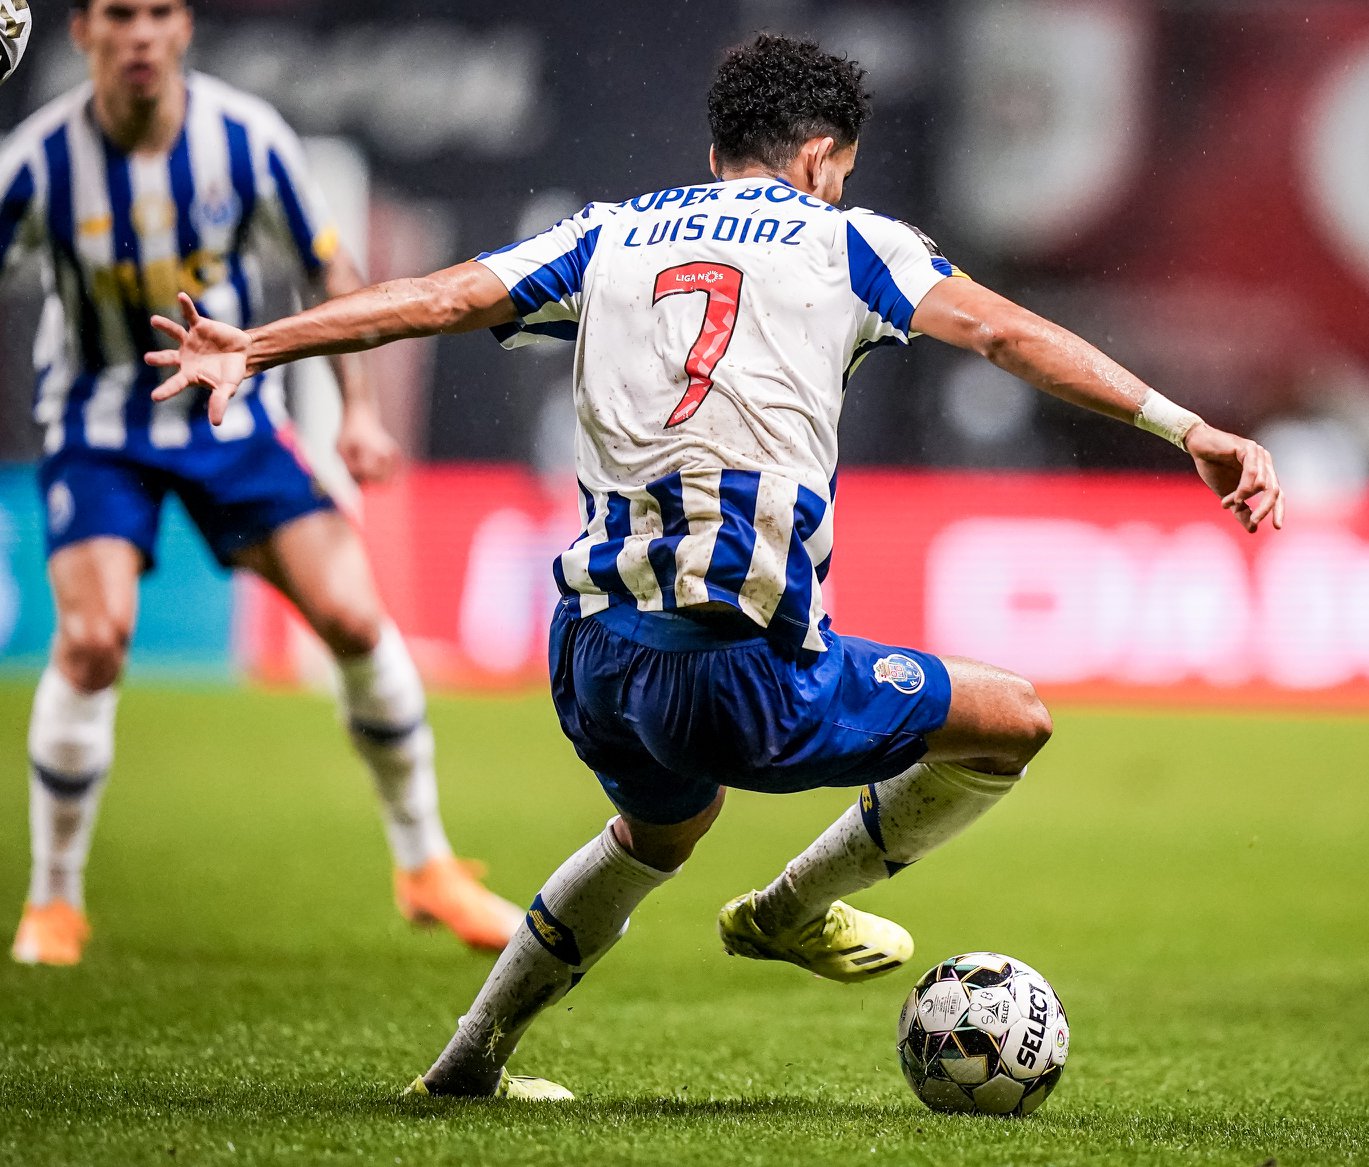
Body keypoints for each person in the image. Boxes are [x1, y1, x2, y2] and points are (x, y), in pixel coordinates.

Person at [150, 33, 1284, 1100]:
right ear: (819, 157)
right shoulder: (848, 240)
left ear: (712, 151)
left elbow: (441, 298)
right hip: (732, 669)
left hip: (590, 658)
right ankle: (790, 909)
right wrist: (1184, 426)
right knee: (1016, 719)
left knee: (659, 835)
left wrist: (255, 343)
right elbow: (999, 333)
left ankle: (468, 1061)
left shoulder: (607, 232)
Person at [0, 0, 522, 965]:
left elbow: (331, 274)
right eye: (121, 14)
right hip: (98, 428)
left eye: (159, 13)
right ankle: (55, 897)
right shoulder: (34, 163)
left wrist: (358, 410)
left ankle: (426, 865)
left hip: (233, 419)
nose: (142, 35)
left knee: (357, 621)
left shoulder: (247, 141)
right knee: (92, 639)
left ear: (185, 25)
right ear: (84, 33)